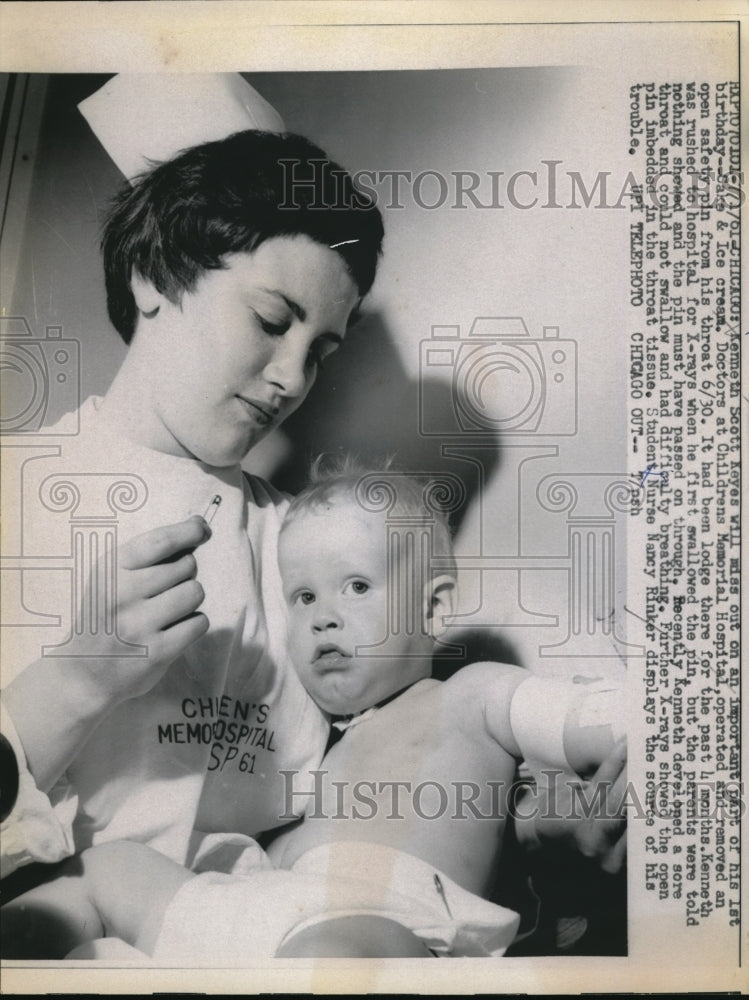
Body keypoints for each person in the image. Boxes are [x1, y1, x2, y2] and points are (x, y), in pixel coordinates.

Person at [2, 461, 627, 961]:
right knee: (104, 869)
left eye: (356, 586)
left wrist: (574, 823)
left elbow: (593, 725)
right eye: (303, 596)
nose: (322, 615)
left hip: (384, 922)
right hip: (267, 906)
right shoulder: (315, 744)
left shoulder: (473, 695)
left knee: (350, 956)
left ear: (434, 610)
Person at [0, 74, 385, 882]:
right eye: (271, 321)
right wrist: (74, 680)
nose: (290, 379)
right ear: (154, 278)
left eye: (319, 352)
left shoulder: (299, 546)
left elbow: (362, 769)